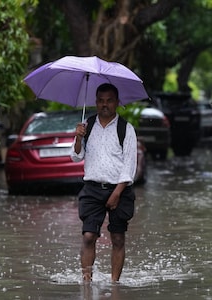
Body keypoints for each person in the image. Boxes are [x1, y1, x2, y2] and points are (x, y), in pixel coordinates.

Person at [71, 83, 137, 283]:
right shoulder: (87, 126)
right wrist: (77, 138)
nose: (104, 105)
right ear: (95, 102)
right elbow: (75, 157)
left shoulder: (126, 129)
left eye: (109, 100)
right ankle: (87, 283)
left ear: (117, 102)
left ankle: (114, 284)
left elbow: (130, 165)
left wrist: (117, 193)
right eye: (100, 100)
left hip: (120, 189)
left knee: (117, 238)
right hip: (92, 188)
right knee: (89, 236)